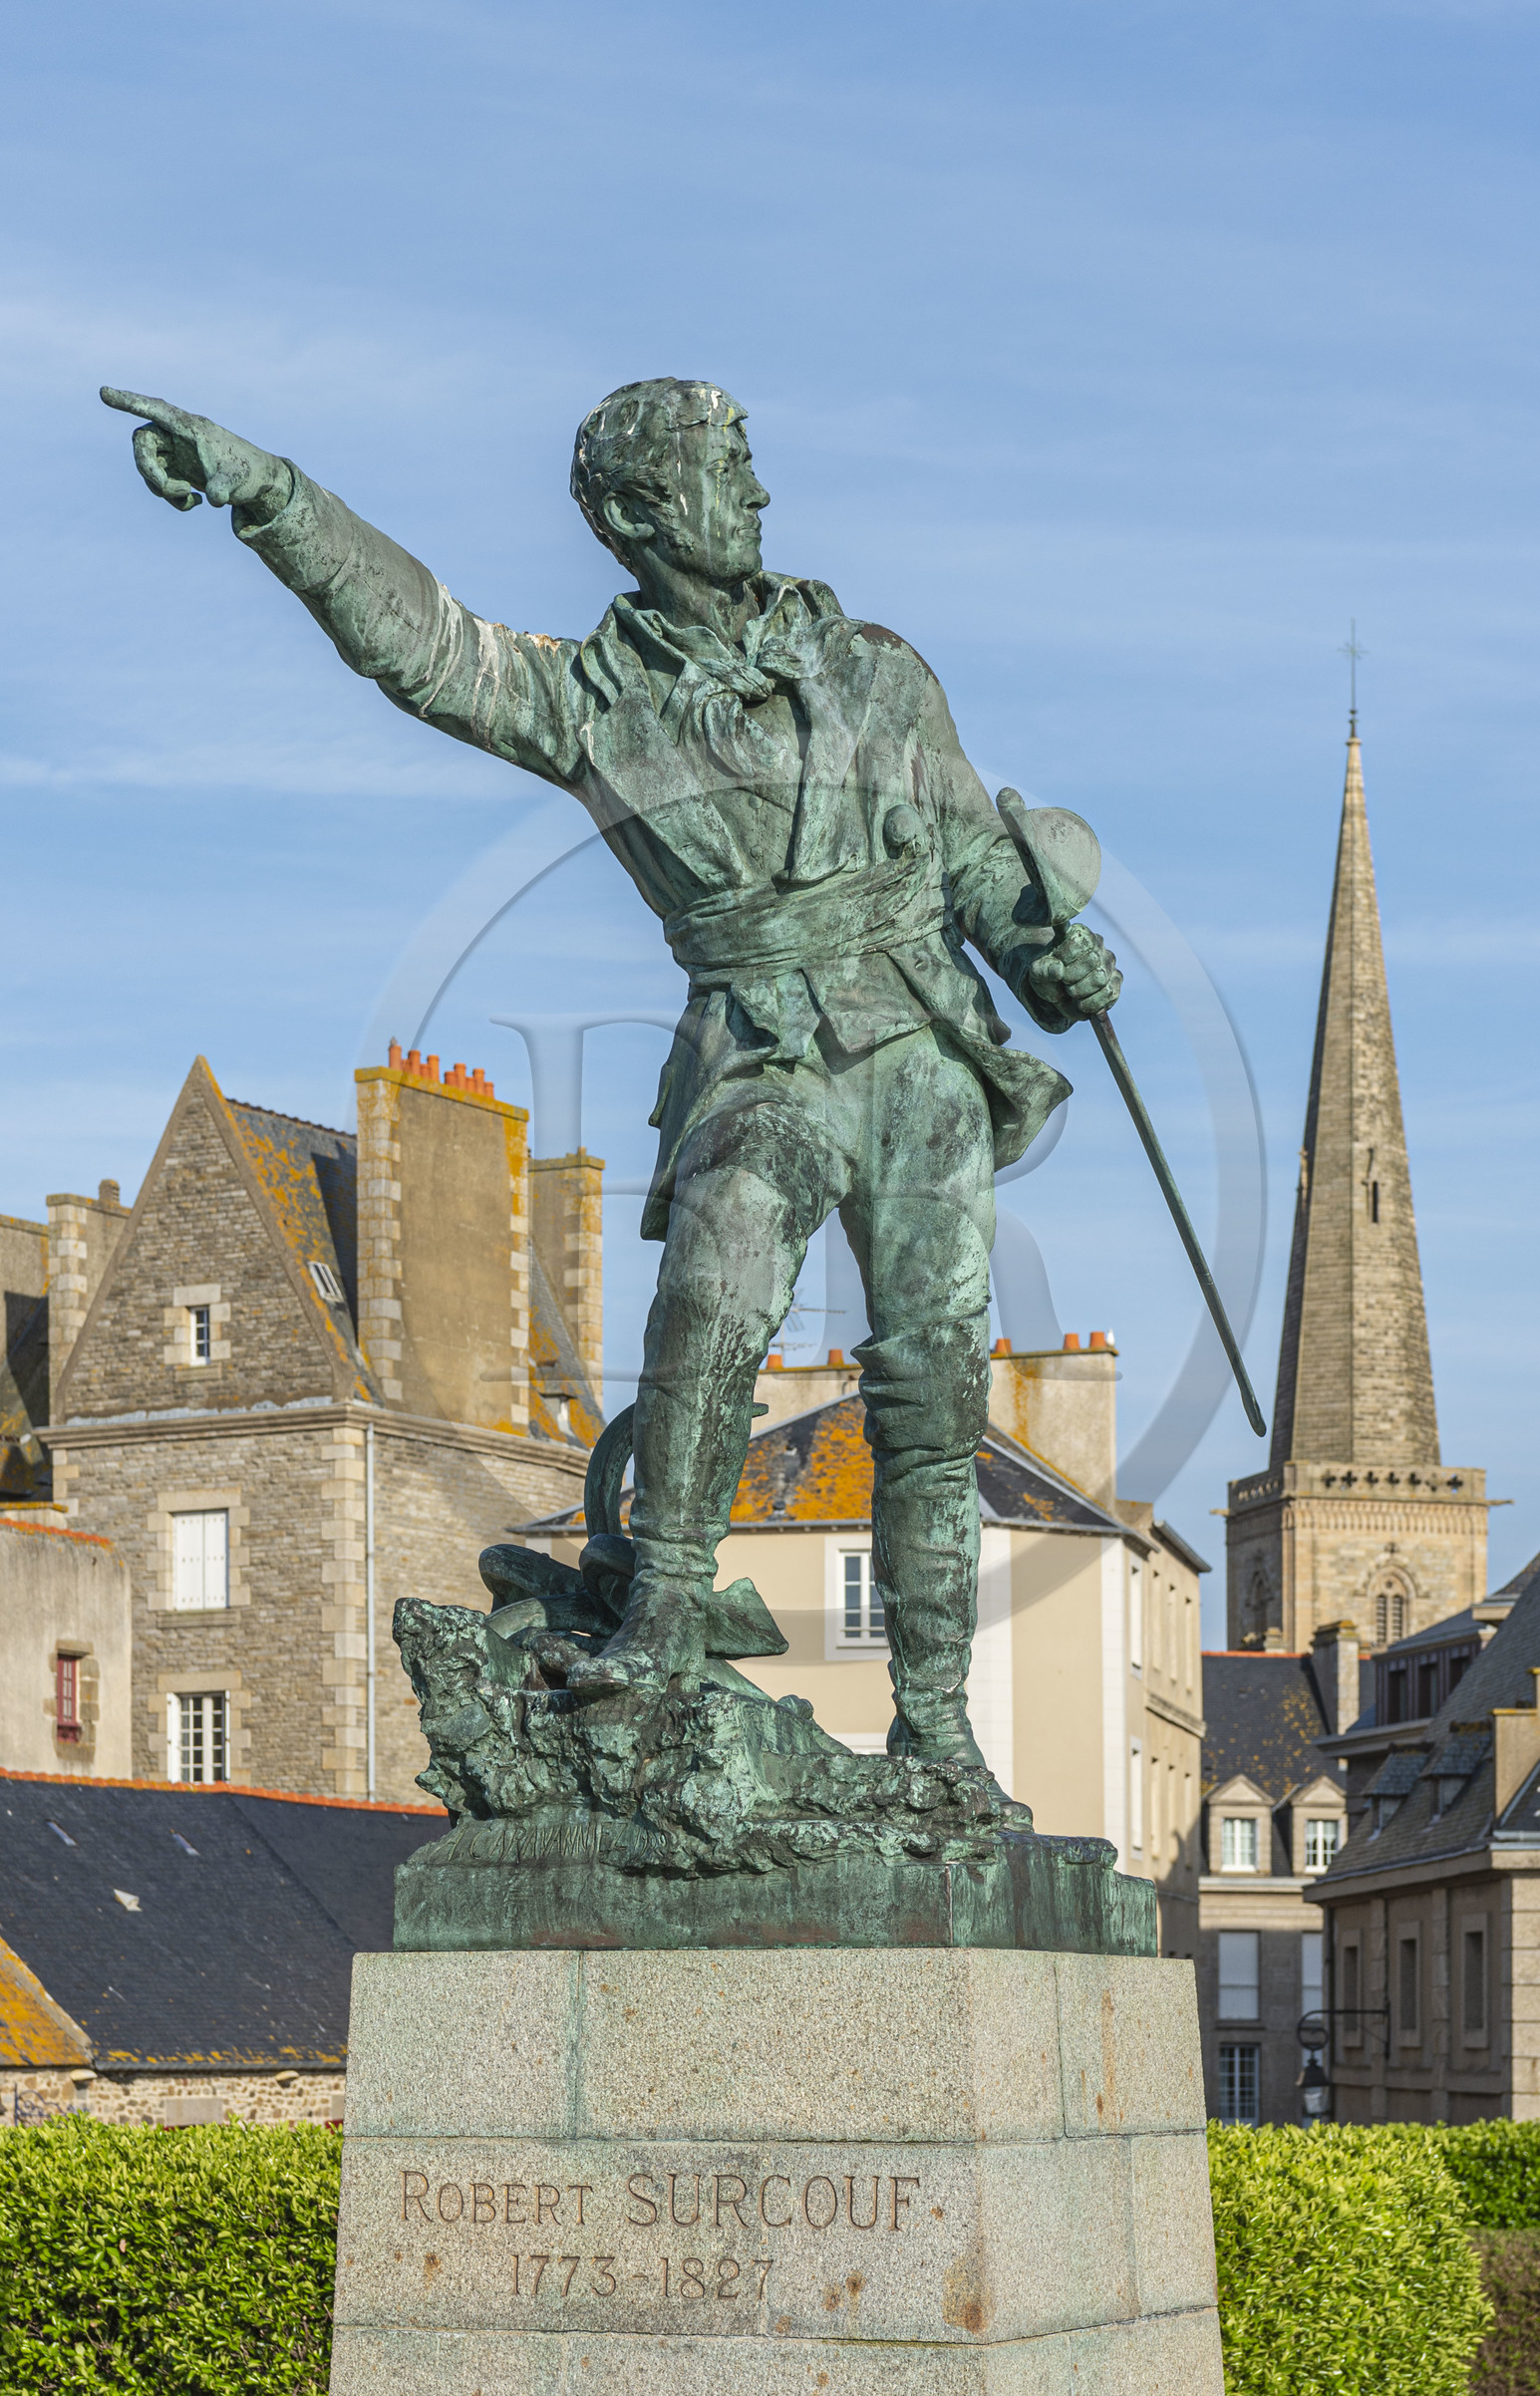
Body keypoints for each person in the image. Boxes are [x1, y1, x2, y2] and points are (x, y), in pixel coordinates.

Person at [102, 377, 1120, 1771]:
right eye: (727, 468)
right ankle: (660, 1617)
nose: (756, 495)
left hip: (917, 1042)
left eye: (751, 465)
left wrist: (1051, 963)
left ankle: (937, 1726)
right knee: (711, 1294)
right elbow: (422, 645)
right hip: (760, 1043)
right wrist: (269, 495)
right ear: (644, 512)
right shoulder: (599, 697)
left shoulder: (880, 667)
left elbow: (981, 866)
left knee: (934, 1382)